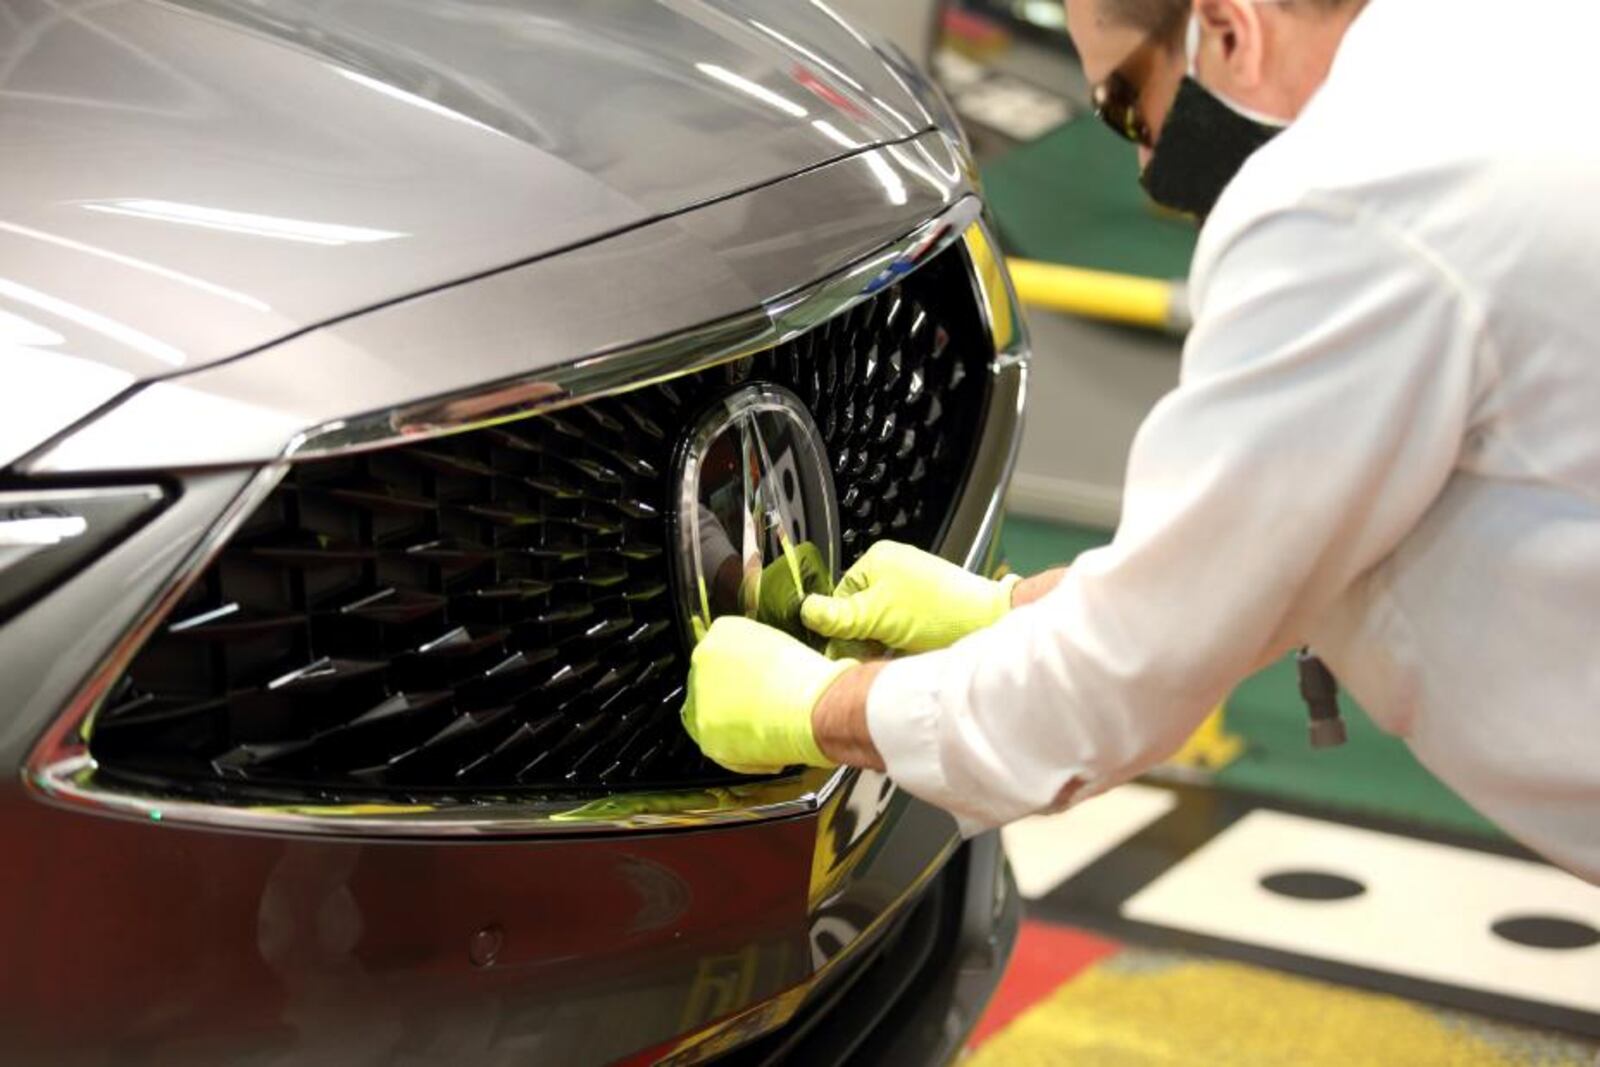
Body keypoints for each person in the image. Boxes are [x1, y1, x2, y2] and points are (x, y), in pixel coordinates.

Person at [680, 0, 1600, 884]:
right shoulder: (1507, 49)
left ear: (1228, 29)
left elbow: (1115, 687)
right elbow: (1269, 552)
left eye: (1126, 105)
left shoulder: (1347, 205)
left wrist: (820, 709)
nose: (1148, 155)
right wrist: (1014, 614)